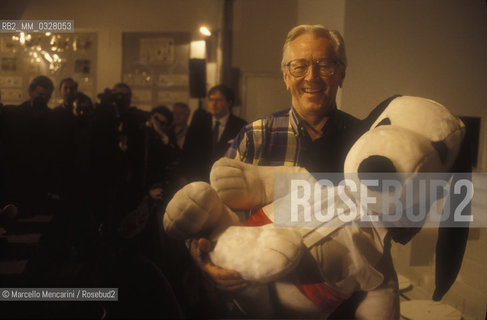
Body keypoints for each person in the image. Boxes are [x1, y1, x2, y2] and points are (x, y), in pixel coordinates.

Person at [189, 25, 397, 319]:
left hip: (340, 305)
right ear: (286, 76)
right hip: (258, 302)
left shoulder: (365, 143)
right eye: (299, 66)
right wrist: (205, 262)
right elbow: (206, 212)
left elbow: (389, 222)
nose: (311, 77)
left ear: (341, 73)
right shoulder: (255, 136)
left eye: (324, 65)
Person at [0, 75, 56, 216]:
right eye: (41, 95)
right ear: (30, 91)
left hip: (39, 180)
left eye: (46, 96)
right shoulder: (11, 115)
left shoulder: (53, 119)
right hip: (15, 177)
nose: (43, 99)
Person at [182, 85, 247, 182]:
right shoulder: (199, 122)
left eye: (219, 100)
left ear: (229, 103)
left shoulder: (240, 126)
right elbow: (188, 151)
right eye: (211, 100)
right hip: (198, 178)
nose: (214, 104)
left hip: (225, 179)